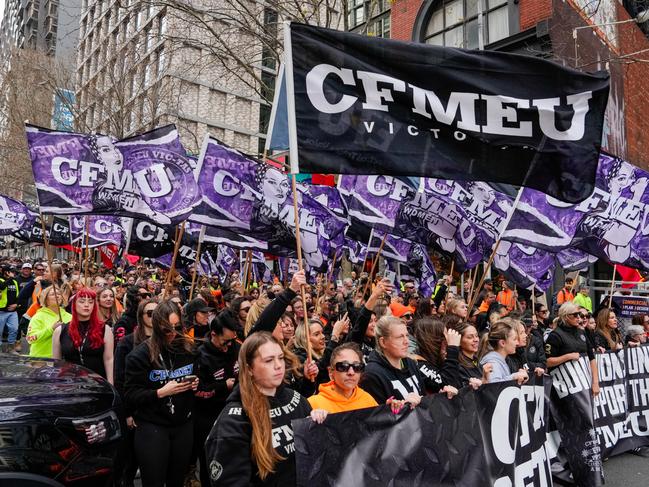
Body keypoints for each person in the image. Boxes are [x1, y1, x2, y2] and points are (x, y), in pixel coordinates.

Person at [205, 332, 327, 486]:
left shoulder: (297, 399)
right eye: (269, 360)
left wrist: (320, 425)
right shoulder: (234, 420)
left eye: (281, 358)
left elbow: (315, 458)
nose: (278, 365)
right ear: (249, 369)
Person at [124, 300, 198, 487]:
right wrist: (160, 392)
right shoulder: (139, 355)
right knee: (154, 481)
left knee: (176, 480)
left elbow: (199, 378)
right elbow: (131, 395)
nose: (173, 333)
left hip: (183, 425)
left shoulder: (188, 350)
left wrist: (196, 383)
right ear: (157, 327)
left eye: (177, 327)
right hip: (152, 426)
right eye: (167, 329)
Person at [113, 298, 157, 487]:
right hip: (135, 409)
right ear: (140, 316)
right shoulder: (127, 343)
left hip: (156, 407)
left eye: (158, 312)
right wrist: (128, 413)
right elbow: (121, 380)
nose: (154, 317)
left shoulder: (167, 342)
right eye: (149, 313)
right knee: (130, 458)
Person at [194, 316, 240, 487]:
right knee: (210, 465)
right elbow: (197, 391)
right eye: (225, 342)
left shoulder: (236, 347)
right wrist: (223, 386)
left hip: (233, 414)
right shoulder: (200, 355)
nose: (229, 346)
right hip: (208, 418)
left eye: (232, 341)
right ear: (213, 334)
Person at [360, 316, 438, 405]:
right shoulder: (372, 375)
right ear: (383, 342)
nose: (406, 341)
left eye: (407, 336)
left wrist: (443, 393)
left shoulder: (410, 362)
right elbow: (377, 415)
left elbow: (423, 397)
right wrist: (404, 406)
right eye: (400, 337)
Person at [52, 287, 114, 382]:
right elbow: (56, 363)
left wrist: (111, 384)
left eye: (90, 302)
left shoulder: (105, 329)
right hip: (69, 384)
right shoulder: (60, 331)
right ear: (74, 305)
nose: (86, 305)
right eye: (82, 301)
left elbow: (109, 360)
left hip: (97, 384)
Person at [545, 303, 599, 395]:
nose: (579, 317)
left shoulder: (581, 332)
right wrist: (568, 356)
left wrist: (595, 382)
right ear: (566, 317)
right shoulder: (555, 335)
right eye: (575, 315)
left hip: (584, 384)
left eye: (580, 315)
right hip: (565, 388)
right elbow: (547, 362)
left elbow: (592, 358)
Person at [308, 342, 378, 413]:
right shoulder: (314, 404)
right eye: (343, 366)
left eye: (357, 367)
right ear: (331, 373)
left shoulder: (368, 400)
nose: (351, 372)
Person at [412, 318, 462, 394]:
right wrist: (453, 349)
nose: (447, 341)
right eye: (444, 337)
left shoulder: (437, 358)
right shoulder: (418, 362)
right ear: (434, 339)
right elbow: (448, 386)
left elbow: (458, 385)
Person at [26, 285, 71, 358]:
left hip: (64, 360)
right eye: (53, 294)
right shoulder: (38, 317)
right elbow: (30, 339)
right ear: (46, 299)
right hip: (41, 359)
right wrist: (51, 329)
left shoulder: (70, 317)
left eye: (59, 294)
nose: (57, 296)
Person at [0, 265, 20, 353]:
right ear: (6, 272)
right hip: (1, 311)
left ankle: (11, 347)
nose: (14, 273)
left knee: (14, 329)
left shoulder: (15, 281)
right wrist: (9, 278)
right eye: (11, 271)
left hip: (13, 311)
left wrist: (17, 304)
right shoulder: (1, 280)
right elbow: (2, 287)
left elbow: (19, 295)